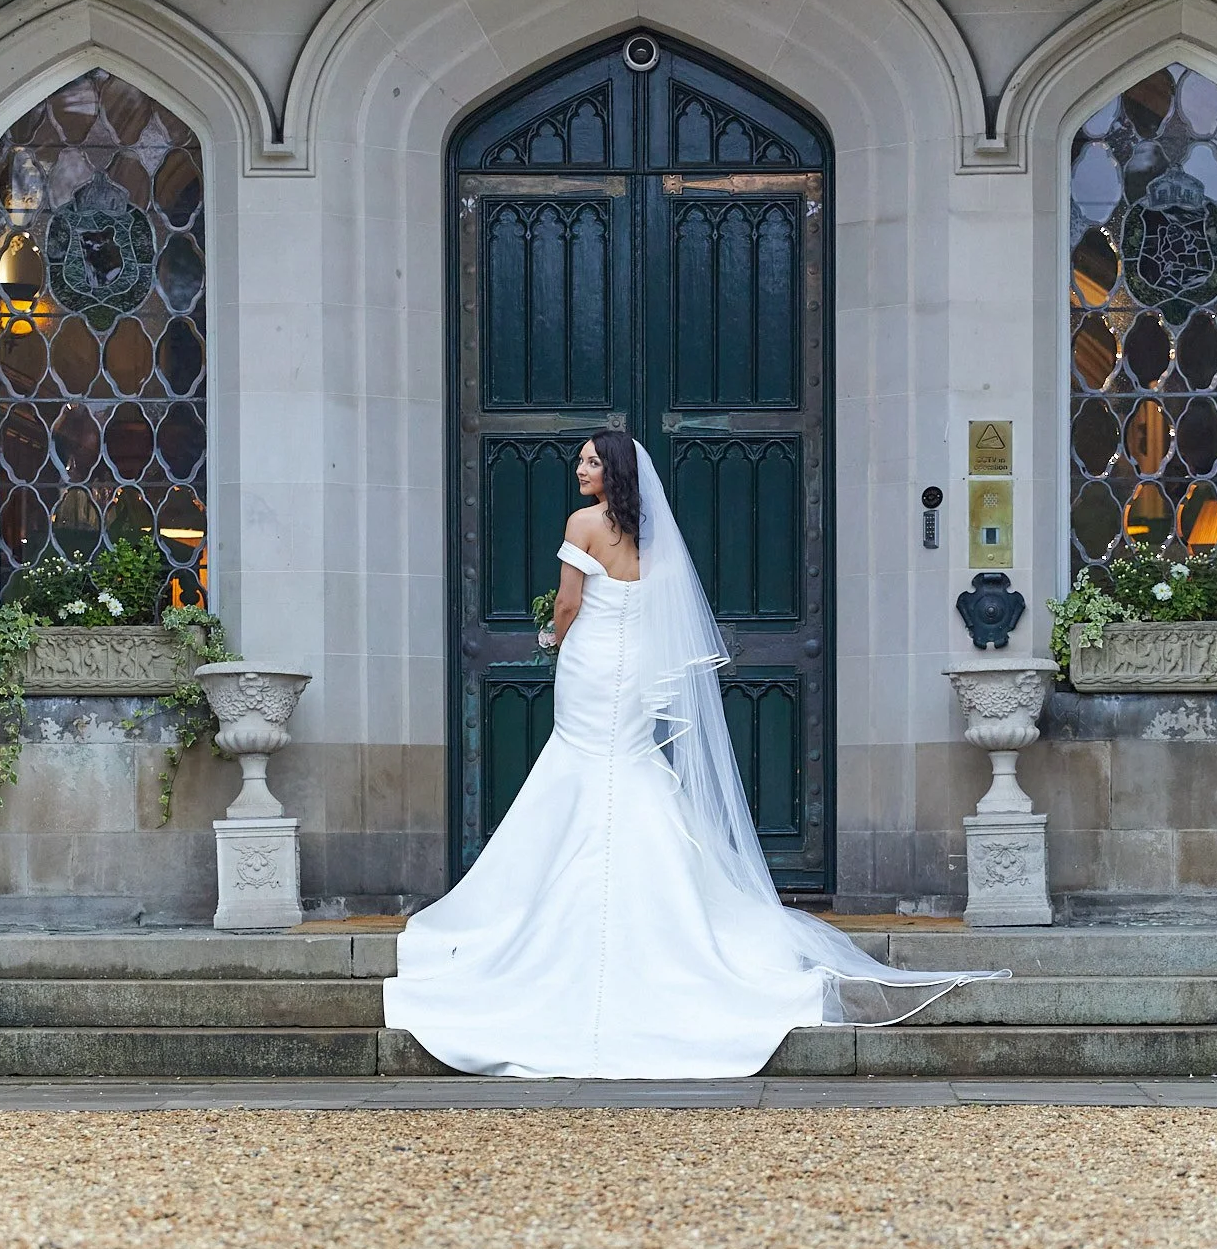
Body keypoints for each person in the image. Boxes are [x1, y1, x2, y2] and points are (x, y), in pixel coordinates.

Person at [383, 432, 1004, 1077]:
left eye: (592, 460)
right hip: (632, 674)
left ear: (612, 471)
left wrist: (552, 636)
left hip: (591, 662)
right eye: (582, 459)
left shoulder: (583, 523)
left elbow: (569, 602)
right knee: (630, 769)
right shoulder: (652, 537)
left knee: (581, 769)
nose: (580, 466)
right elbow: (662, 612)